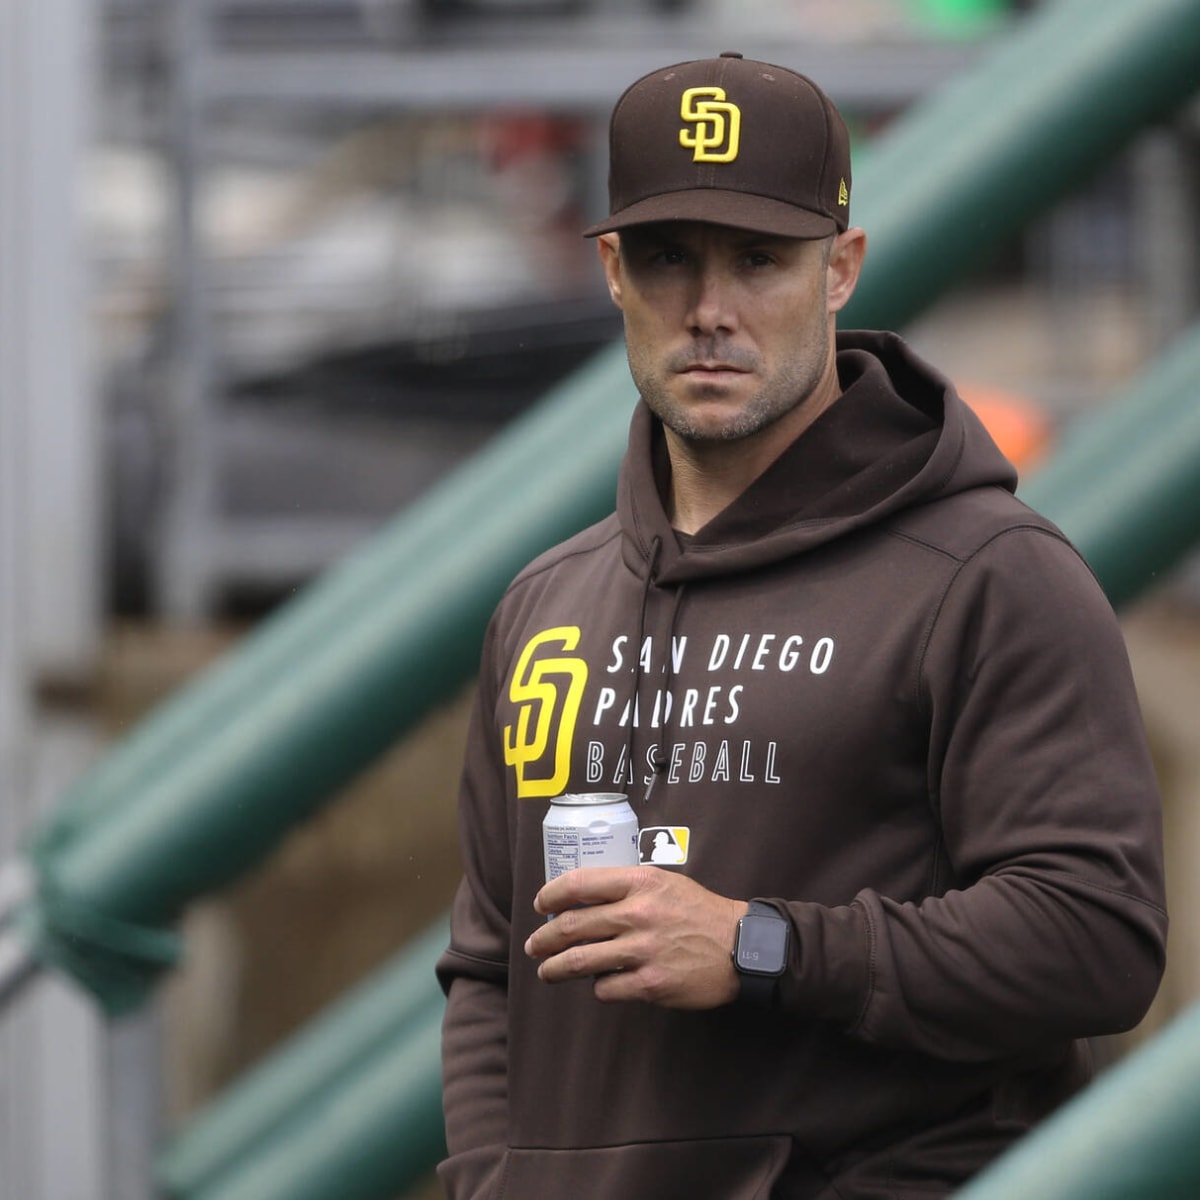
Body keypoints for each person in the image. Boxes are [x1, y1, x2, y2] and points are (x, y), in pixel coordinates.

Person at [436, 52, 1167, 1199]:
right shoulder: (545, 606)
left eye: (761, 260)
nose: (712, 311)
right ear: (613, 270)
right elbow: (487, 971)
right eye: (672, 259)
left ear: (842, 270)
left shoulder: (989, 576)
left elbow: (1094, 939)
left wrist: (762, 946)